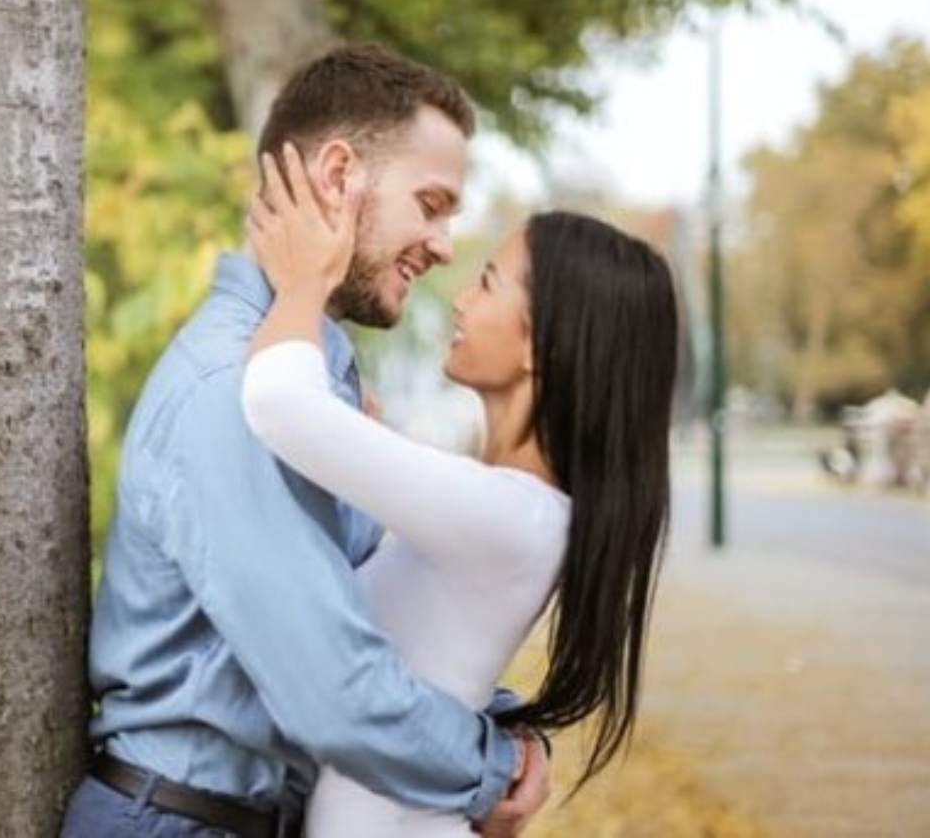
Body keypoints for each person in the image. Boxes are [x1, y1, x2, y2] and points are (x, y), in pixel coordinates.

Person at [61, 44, 550, 838]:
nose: (444, 243)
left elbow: (367, 613)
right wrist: (487, 765)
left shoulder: (311, 371)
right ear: (336, 178)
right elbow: (337, 692)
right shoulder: (234, 390)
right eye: (431, 203)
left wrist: (506, 725)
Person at [240, 146, 678, 836]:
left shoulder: (510, 516)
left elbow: (275, 402)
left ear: (542, 345)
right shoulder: (510, 509)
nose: (461, 299)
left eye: (490, 283)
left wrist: (304, 283)